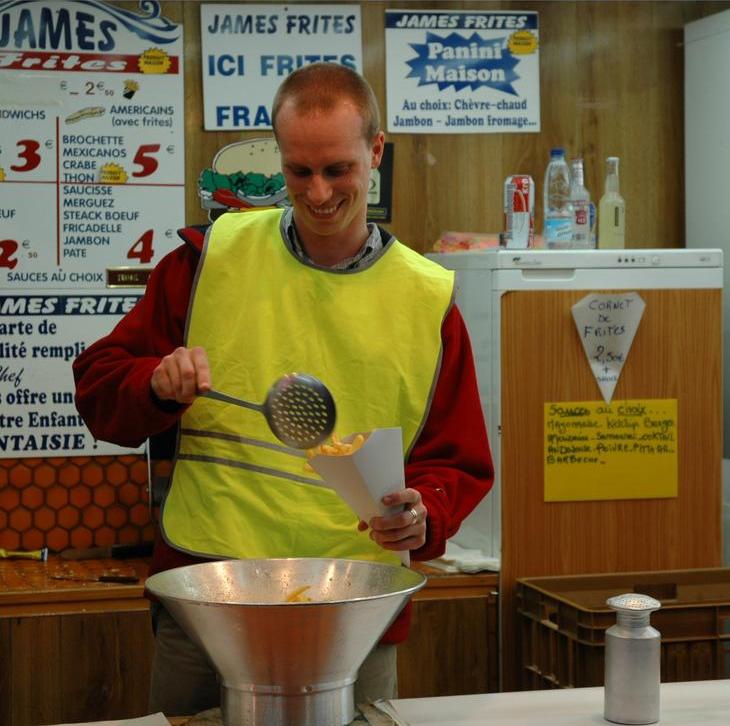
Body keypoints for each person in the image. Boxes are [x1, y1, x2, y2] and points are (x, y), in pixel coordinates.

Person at [73, 62, 494, 716]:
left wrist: (425, 513)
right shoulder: (207, 261)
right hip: (208, 600)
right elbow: (100, 389)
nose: (319, 193)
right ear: (280, 159)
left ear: (374, 152)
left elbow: (457, 460)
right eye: (300, 172)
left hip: (356, 612)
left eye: (338, 170)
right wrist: (153, 384)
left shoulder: (426, 299)